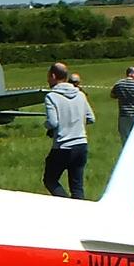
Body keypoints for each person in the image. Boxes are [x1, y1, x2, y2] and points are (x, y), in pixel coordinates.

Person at [42, 61, 92, 199]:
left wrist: (46, 125)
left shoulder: (51, 96)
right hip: (81, 145)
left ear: (53, 75)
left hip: (63, 146)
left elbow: (53, 122)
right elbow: (91, 118)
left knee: (50, 180)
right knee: (77, 187)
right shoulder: (81, 95)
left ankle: (66, 205)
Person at [110, 66, 134, 141]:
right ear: (131, 74)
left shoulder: (119, 84)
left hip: (124, 115)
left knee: (125, 138)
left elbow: (113, 95)